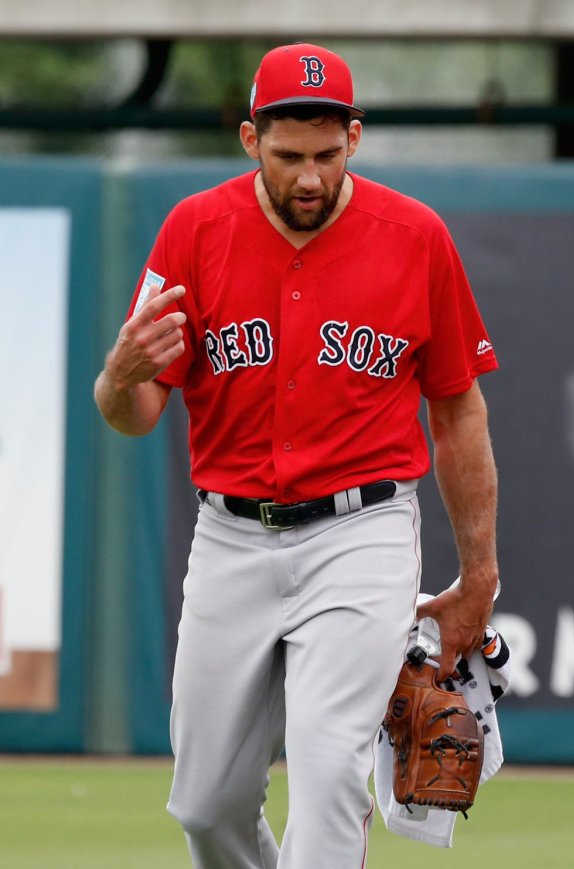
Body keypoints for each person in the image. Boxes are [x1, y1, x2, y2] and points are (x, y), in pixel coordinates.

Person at [94, 43, 500, 869]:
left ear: (355, 136)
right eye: (288, 156)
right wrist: (117, 376)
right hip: (231, 536)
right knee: (205, 803)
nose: (310, 176)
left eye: (327, 153)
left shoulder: (416, 237)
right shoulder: (193, 230)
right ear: (251, 139)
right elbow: (133, 413)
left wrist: (479, 574)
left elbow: (458, 411)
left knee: (329, 775)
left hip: (361, 531)